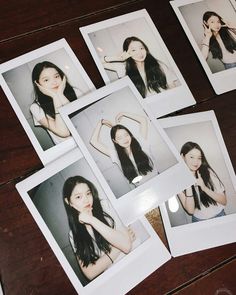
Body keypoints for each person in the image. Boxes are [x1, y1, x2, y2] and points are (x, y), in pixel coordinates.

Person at [63, 175, 134, 281]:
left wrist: (91, 220)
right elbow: (90, 273)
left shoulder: (105, 206)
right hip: (116, 276)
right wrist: (118, 246)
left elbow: (127, 247)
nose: (86, 200)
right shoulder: (73, 234)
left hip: (135, 257)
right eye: (78, 197)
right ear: (69, 202)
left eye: (88, 193)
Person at [90, 112, 158, 185]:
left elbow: (143, 120)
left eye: (126, 135)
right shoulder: (115, 155)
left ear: (130, 135)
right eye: (119, 138)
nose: (125, 139)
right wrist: (101, 122)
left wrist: (124, 113)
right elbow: (93, 141)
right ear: (115, 141)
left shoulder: (141, 143)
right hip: (141, 190)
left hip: (158, 179)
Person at [102, 36, 179, 98]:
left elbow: (172, 86)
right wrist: (117, 58)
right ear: (127, 53)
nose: (139, 52)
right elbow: (98, 64)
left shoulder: (157, 64)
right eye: (133, 50)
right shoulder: (123, 68)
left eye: (141, 48)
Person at [30, 61, 81, 144]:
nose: (54, 82)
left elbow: (78, 123)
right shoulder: (36, 108)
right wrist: (55, 97)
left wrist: (60, 95)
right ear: (38, 84)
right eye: (46, 80)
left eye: (56, 76)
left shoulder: (76, 92)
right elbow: (65, 132)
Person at [178, 142, 227, 223]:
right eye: (191, 157)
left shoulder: (207, 172)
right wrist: (188, 180)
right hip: (199, 221)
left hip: (220, 216)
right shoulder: (178, 181)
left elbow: (224, 201)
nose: (196, 161)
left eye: (199, 158)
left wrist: (204, 188)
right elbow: (190, 211)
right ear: (183, 157)